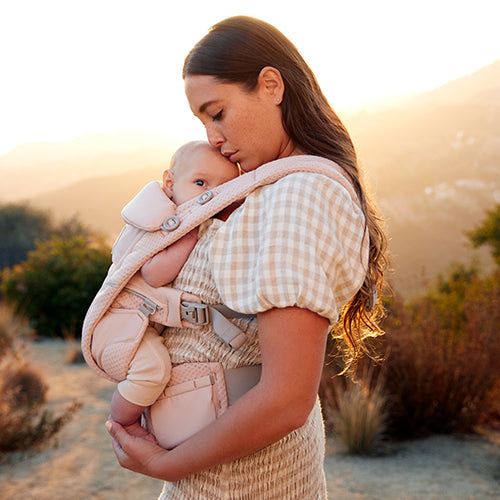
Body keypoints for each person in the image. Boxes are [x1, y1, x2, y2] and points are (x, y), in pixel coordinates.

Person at [105, 15, 387, 499]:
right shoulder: (270, 190)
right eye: (202, 122)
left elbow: (284, 400)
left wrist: (166, 464)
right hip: (229, 473)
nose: (213, 137)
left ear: (271, 85)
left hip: (243, 483)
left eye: (217, 112)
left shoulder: (298, 196)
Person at [95, 140, 239, 437]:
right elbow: (154, 273)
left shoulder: (180, 213)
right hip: (119, 324)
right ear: (170, 183)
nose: (210, 195)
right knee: (153, 370)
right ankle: (123, 425)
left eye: (223, 190)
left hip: (140, 324)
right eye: (200, 183)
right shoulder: (166, 222)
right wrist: (190, 236)